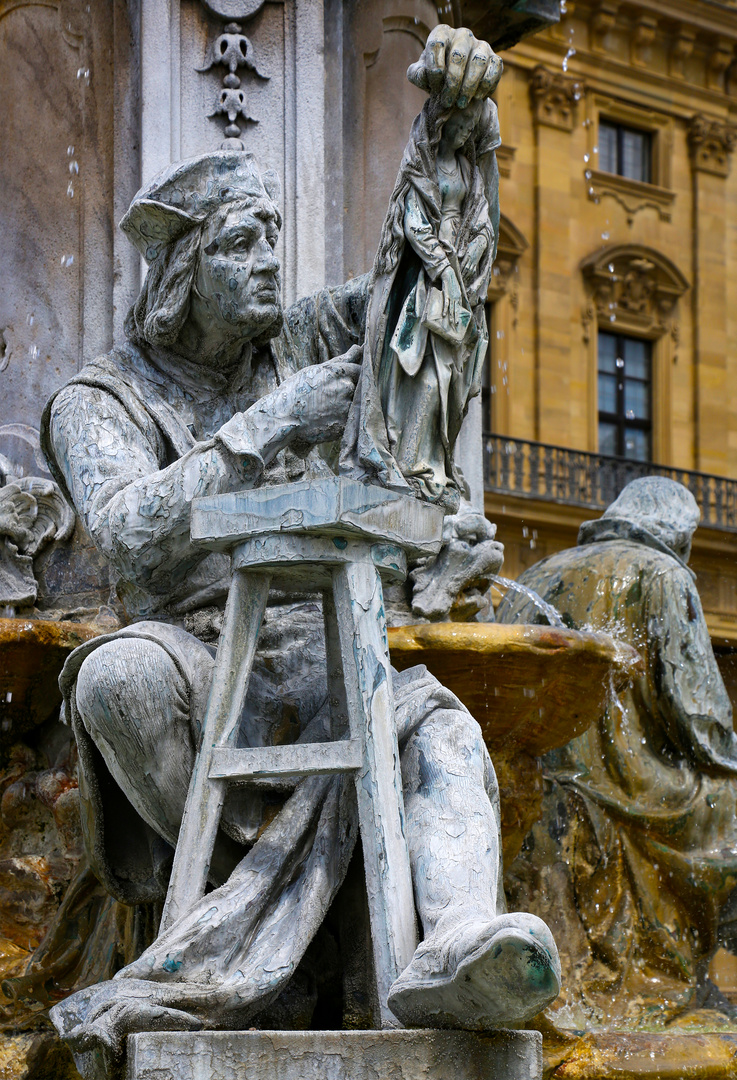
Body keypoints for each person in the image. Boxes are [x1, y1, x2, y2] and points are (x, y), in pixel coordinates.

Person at [41, 27, 559, 1078]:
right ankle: (279, 927)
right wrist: (265, 426)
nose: (273, 258)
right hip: (193, 649)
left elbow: (425, 303)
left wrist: (456, 135)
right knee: (113, 679)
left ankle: (452, 944)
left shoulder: (306, 333)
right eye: (242, 241)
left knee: (438, 727)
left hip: (322, 647)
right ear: (181, 271)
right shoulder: (100, 399)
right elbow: (130, 545)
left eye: (276, 233)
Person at [496, 477, 737, 1033]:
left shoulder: (540, 572)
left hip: (536, 793)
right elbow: (700, 718)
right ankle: (675, 971)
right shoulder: (664, 573)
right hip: (632, 793)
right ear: (679, 532)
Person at [340, 67, 501, 515]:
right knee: (422, 379)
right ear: (443, 120)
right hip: (425, 285)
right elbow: (412, 222)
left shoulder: (468, 168)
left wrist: (476, 248)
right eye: (462, 122)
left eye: (472, 125)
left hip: (458, 289)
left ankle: (435, 468)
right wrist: (442, 269)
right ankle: (410, 466)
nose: (466, 130)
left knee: (448, 385)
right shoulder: (421, 166)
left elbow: (483, 218)